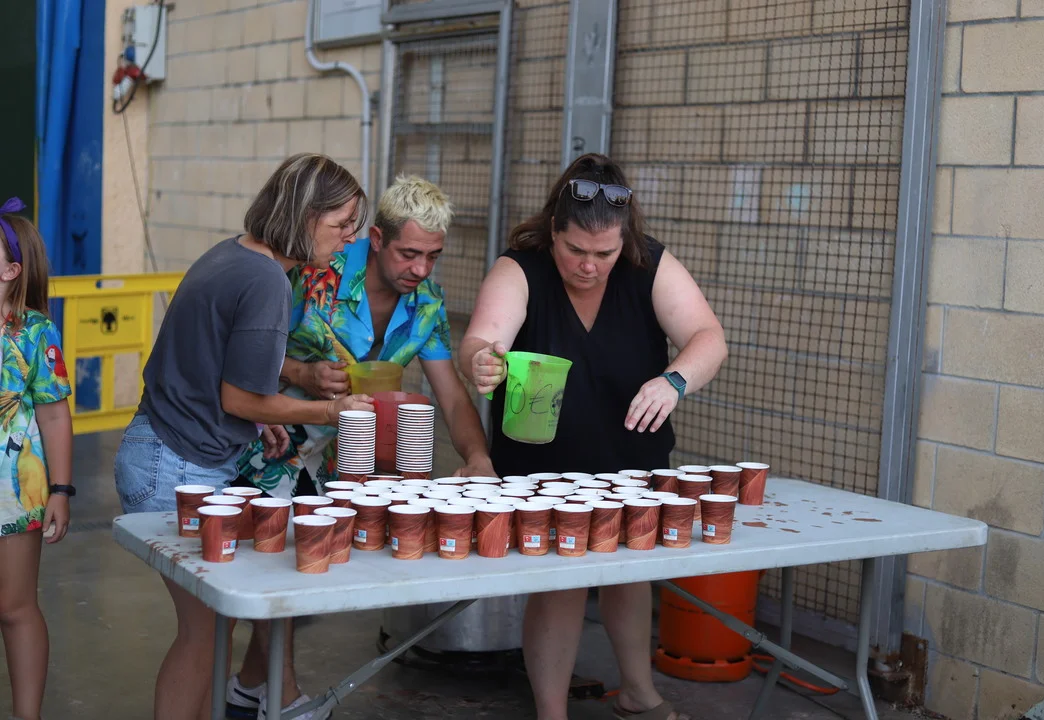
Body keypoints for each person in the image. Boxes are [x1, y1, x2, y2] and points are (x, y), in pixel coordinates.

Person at [459, 154, 727, 720]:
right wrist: (482, 359)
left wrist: (675, 380)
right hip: (543, 468)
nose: (588, 265)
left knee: (630, 572)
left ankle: (638, 693)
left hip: (630, 460)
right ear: (553, 231)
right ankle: (551, 712)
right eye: (575, 250)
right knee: (561, 582)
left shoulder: (648, 263)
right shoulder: (521, 268)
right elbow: (482, 337)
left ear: (624, 240)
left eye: (604, 254)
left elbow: (708, 336)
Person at [113, 154, 372, 720]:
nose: (350, 238)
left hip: (164, 451)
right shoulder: (265, 279)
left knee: (211, 627)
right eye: (342, 224)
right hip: (175, 463)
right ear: (304, 216)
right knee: (204, 632)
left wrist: (260, 417)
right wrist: (331, 410)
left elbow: (216, 374)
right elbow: (237, 398)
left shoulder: (234, 254)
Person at [228, 175, 495, 719]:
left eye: (433, 256)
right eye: (409, 253)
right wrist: (301, 371)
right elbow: (239, 349)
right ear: (376, 238)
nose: (420, 269)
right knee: (281, 571)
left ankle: (249, 687)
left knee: (301, 569)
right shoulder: (313, 271)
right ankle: (285, 700)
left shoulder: (426, 304)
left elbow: (451, 395)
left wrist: (478, 457)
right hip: (268, 441)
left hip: (343, 459)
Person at [0, 198, 74, 720]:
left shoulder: (35, 333)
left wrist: (61, 490)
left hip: (14, 490)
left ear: (10, 271)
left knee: (14, 606)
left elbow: (53, 415)